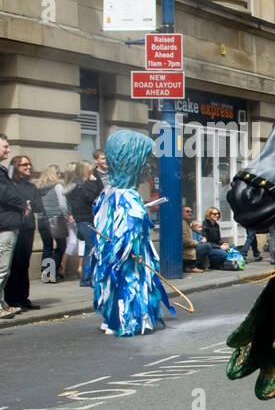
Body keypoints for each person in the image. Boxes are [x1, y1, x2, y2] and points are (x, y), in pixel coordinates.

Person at [91, 130, 174, 336]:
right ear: (132, 160)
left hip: (113, 253)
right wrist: (131, 249)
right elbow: (129, 229)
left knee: (117, 281)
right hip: (128, 254)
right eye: (145, 159)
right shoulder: (129, 197)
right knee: (129, 281)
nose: (148, 166)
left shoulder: (108, 193)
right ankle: (126, 320)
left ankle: (112, 318)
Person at [3, 153, 39, 312]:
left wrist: (30, 204)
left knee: (24, 264)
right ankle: (12, 299)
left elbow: (38, 205)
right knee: (13, 264)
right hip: (14, 225)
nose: (28, 167)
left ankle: (23, 298)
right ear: (16, 167)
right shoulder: (11, 184)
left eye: (29, 164)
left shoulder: (31, 186)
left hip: (28, 226)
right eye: (24, 165)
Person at [67, 158, 104, 287]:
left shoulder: (82, 183)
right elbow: (91, 198)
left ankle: (86, 278)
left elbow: (101, 191)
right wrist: (93, 182)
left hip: (86, 219)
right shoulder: (81, 185)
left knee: (89, 248)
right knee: (92, 247)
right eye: (90, 170)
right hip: (84, 219)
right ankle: (87, 277)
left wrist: (96, 181)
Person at [0, 135, 24, 318]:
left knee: (4, 270)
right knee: (1, 269)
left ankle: (2, 304)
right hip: (4, 225)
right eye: (5, 147)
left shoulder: (2, 170)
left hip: (8, 224)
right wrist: (24, 203)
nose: (8, 150)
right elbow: (6, 194)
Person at [35, 165, 70, 282]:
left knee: (47, 247)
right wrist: (66, 216)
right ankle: (51, 271)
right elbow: (62, 204)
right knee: (61, 246)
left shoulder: (38, 187)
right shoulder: (57, 186)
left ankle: (45, 274)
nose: (60, 175)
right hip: (56, 218)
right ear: (56, 174)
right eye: (59, 173)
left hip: (41, 219)